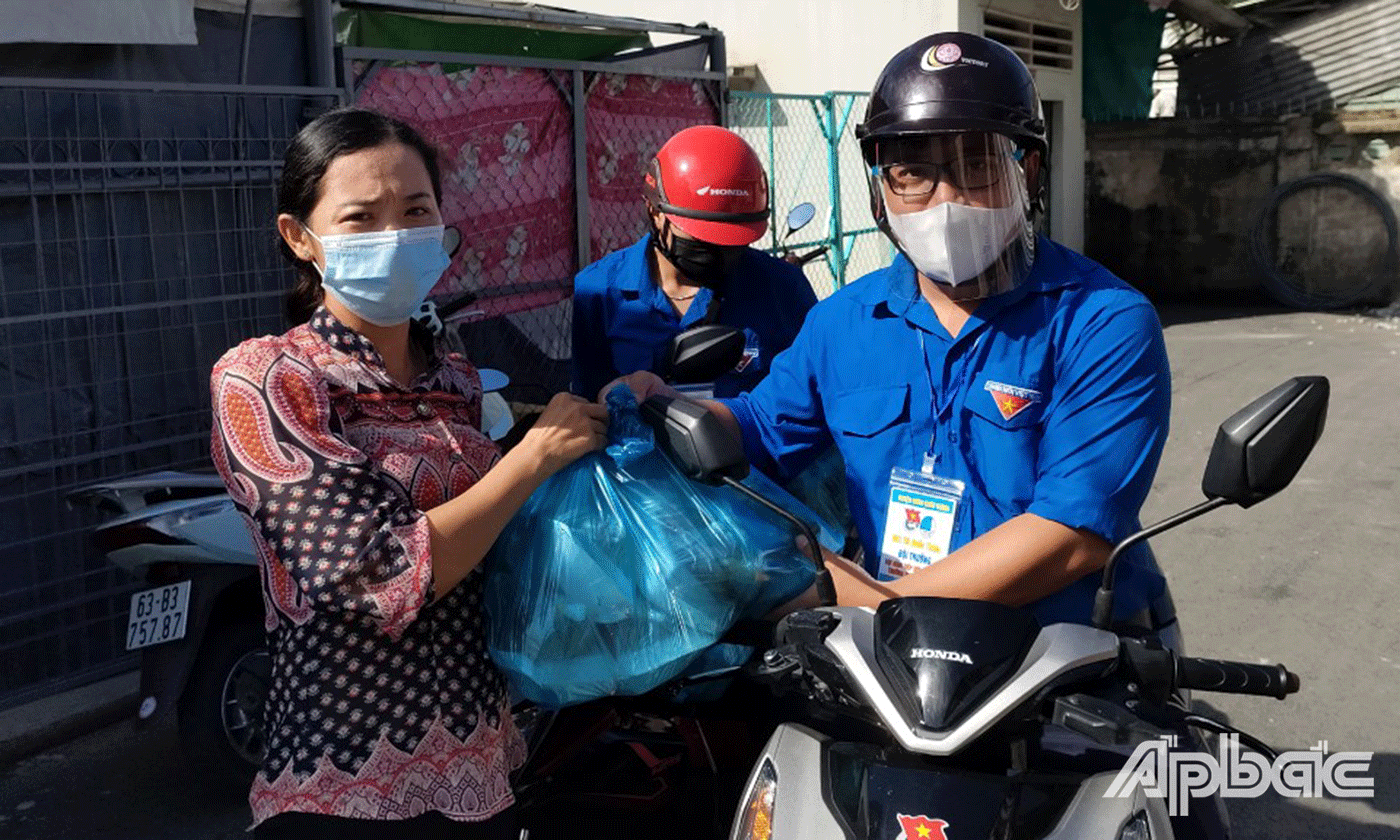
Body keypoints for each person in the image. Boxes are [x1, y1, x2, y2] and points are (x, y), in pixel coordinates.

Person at [610, 32, 1174, 631]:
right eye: (912, 173)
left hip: (1065, 654)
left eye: (977, 164)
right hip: (895, 652)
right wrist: (664, 405)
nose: (946, 200)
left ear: (1028, 169)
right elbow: (761, 430)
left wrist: (865, 597)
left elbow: (1071, 537)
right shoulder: (842, 323)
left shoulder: (1104, 321)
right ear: (881, 189)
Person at [209, 107, 606, 839]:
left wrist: (591, 427)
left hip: (483, 775)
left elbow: (498, 521)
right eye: (360, 217)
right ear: (301, 238)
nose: (394, 235)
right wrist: (530, 459)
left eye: (416, 210)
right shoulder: (268, 379)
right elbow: (378, 576)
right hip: (344, 793)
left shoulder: (450, 372)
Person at [571, 124, 818, 401]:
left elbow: (813, 399)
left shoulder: (783, 289)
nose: (719, 251)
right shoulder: (598, 291)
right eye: (701, 236)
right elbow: (586, 404)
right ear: (654, 211)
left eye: (732, 241)